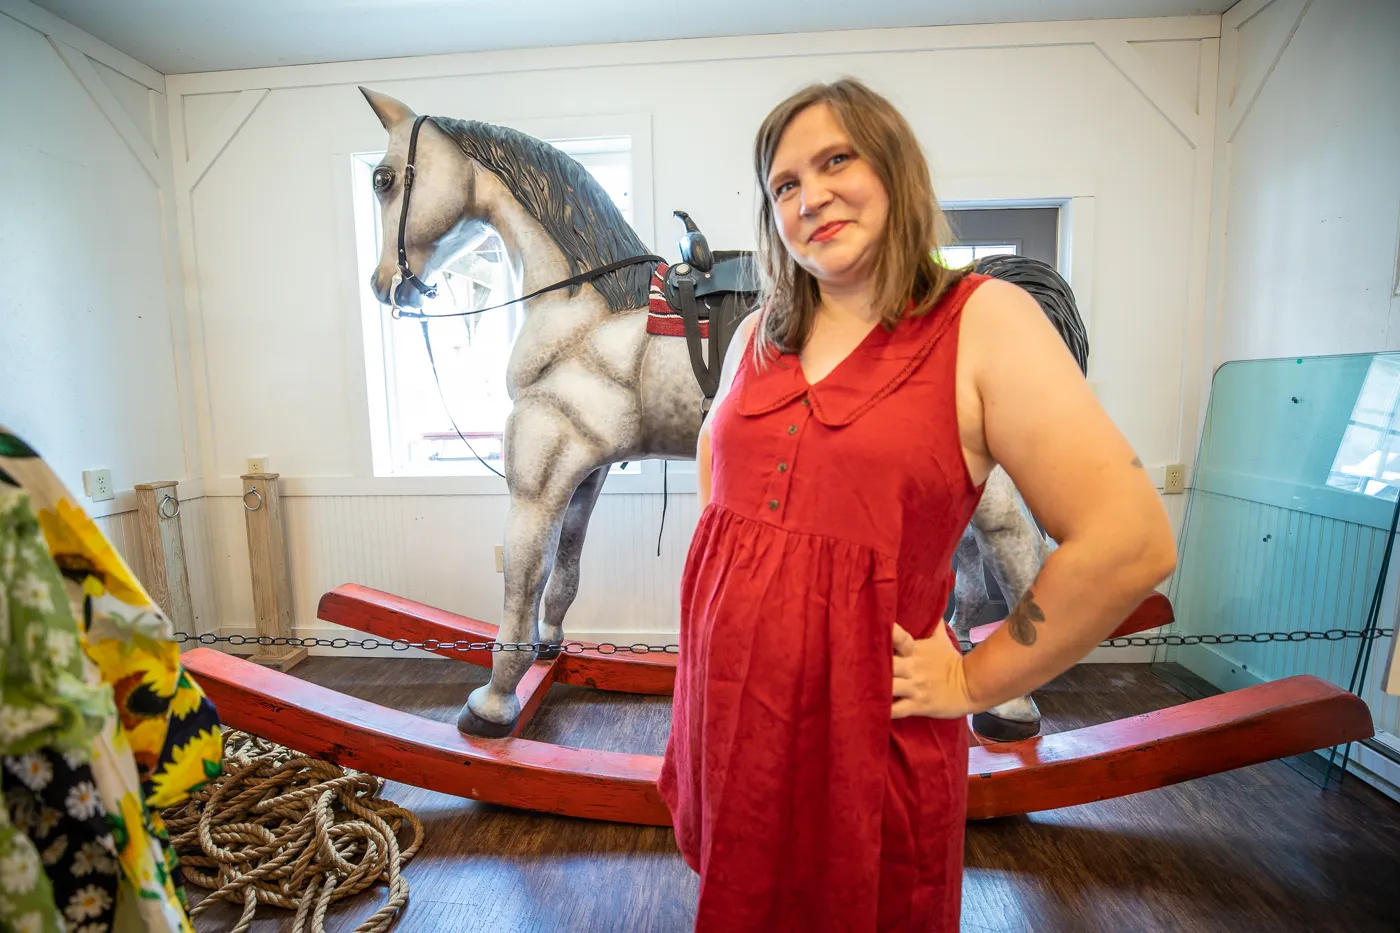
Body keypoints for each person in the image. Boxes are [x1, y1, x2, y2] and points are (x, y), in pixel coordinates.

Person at [656, 77, 1177, 931]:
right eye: (784, 184)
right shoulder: (760, 331)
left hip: (865, 734)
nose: (810, 194)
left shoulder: (984, 321)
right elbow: (719, 455)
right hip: (733, 716)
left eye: (835, 160)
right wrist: (730, 608)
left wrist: (975, 676)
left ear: (895, 169)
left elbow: (1130, 540)